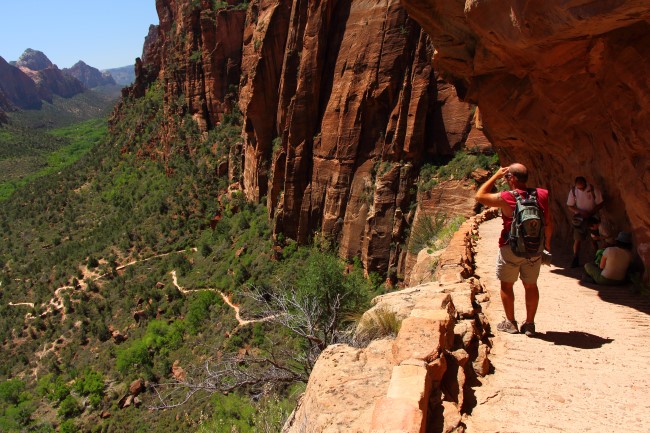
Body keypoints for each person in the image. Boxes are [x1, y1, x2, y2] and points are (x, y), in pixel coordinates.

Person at [475, 163, 553, 336]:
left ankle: (511, 323)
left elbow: (480, 196)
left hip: (510, 247)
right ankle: (530, 324)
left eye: (506, 177)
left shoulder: (507, 197)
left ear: (512, 179)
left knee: (507, 285)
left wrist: (495, 176)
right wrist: (545, 245)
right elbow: (548, 223)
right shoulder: (542, 194)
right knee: (531, 285)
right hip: (534, 249)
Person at [567, 176, 604, 267]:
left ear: (585, 183)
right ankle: (575, 258)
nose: (581, 189)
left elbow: (600, 203)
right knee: (578, 238)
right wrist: (581, 212)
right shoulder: (573, 191)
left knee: (594, 239)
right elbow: (570, 205)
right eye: (579, 187)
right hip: (580, 219)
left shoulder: (592, 189)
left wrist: (591, 212)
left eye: (583, 187)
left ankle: (597, 259)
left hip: (592, 217)